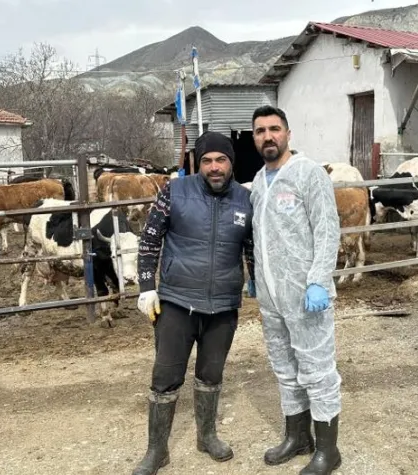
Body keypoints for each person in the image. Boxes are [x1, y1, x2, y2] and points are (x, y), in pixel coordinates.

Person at [132, 131, 255, 475]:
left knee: (211, 374)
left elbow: (251, 247)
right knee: (165, 377)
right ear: (198, 164)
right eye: (207, 161)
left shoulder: (245, 200)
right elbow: (150, 239)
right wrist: (146, 286)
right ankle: (157, 451)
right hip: (176, 302)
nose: (214, 168)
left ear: (231, 162)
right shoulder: (175, 191)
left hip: (223, 306)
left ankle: (207, 435)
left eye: (221, 160)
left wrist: (258, 281)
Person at [248, 105, 343, 475]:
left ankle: (328, 450)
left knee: (317, 371)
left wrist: (319, 279)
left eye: (274, 129)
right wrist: (255, 278)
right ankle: (297, 436)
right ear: (254, 137)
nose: (268, 136)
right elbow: (259, 236)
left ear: (287, 133)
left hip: (307, 296)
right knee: (285, 367)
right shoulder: (258, 181)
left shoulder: (308, 174)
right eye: (260, 131)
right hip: (272, 298)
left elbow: (326, 229)